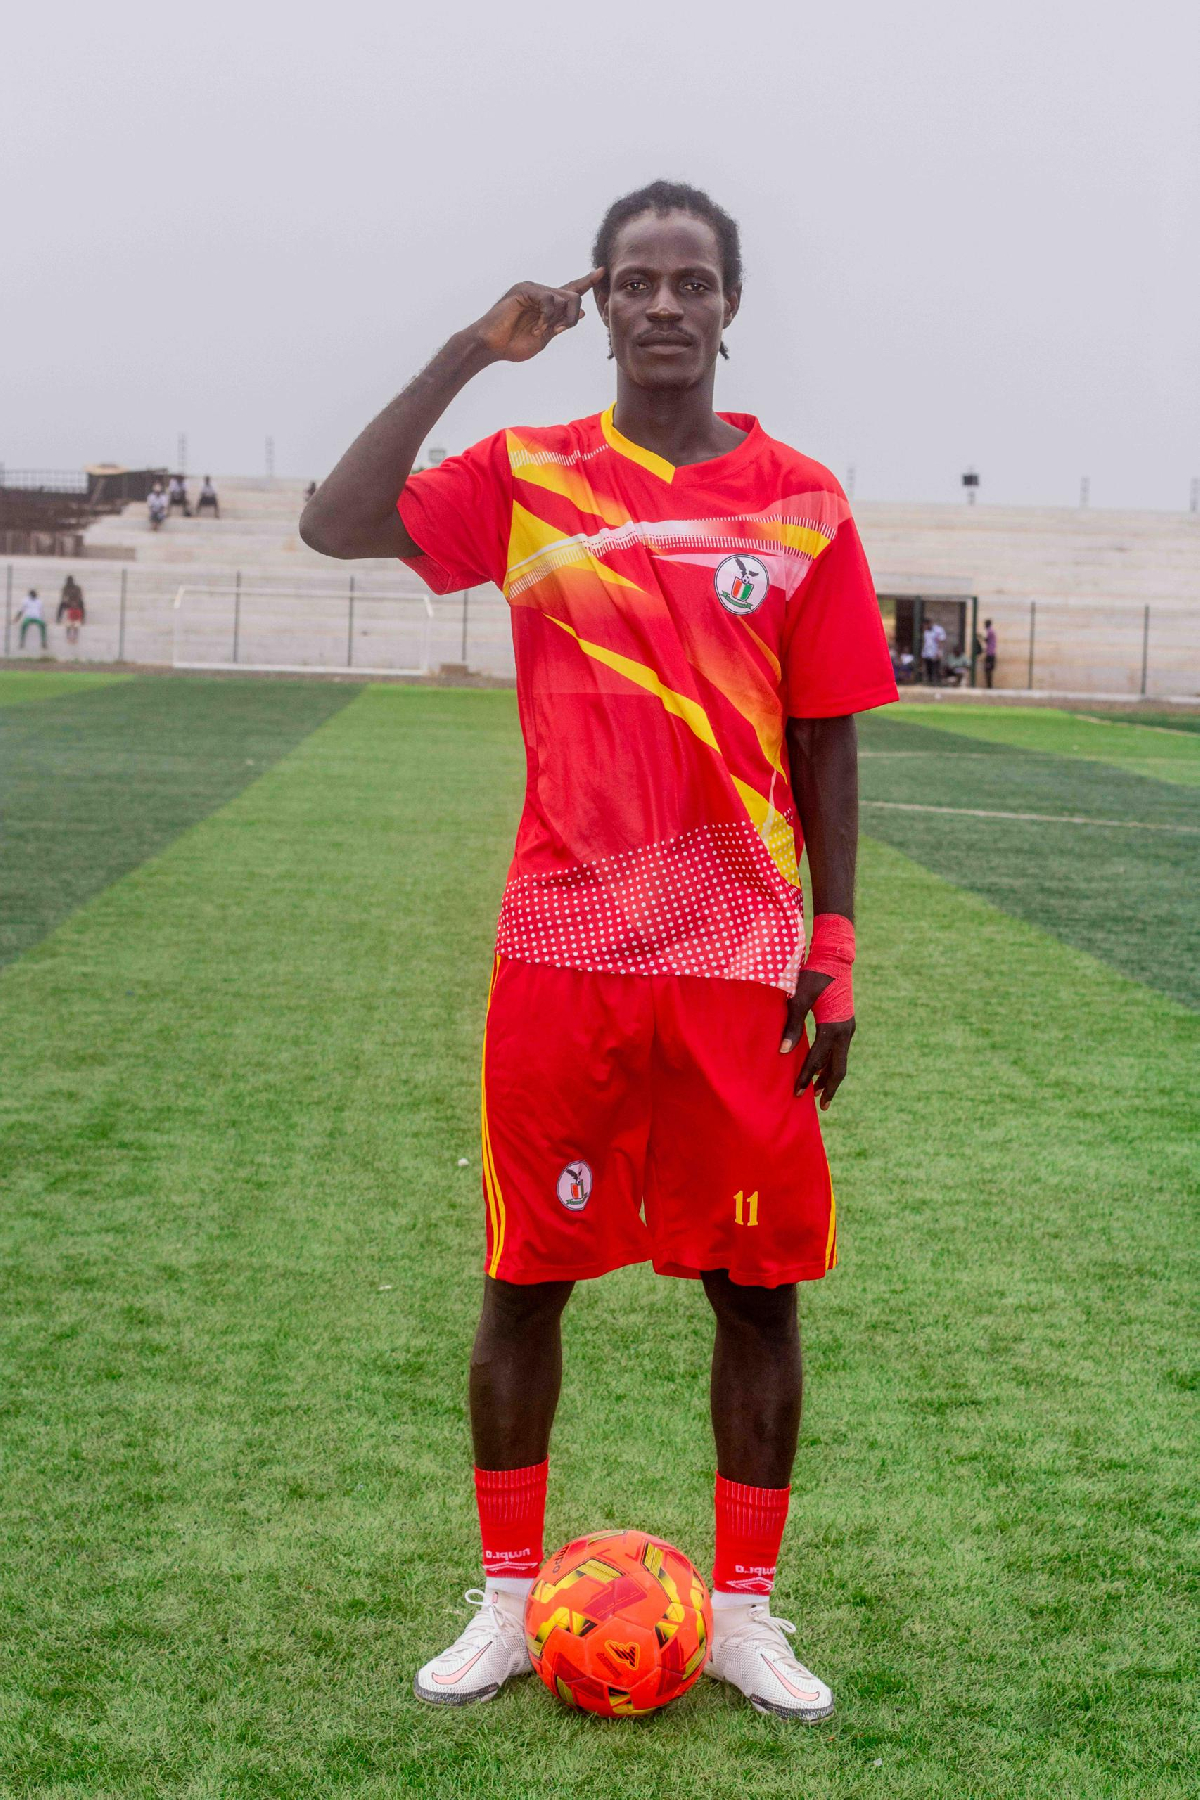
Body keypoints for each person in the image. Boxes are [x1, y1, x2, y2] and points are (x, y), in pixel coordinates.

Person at [301, 179, 897, 1723]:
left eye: (692, 281)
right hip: (563, 956)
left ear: (730, 304)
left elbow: (828, 734)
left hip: (738, 961)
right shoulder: (528, 476)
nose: (664, 305)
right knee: (525, 1279)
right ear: (602, 301)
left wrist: (833, 941)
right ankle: (507, 1605)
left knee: (757, 1293)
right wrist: (469, 351)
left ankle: (746, 1616)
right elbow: (336, 522)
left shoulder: (803, 501)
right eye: (637, 281)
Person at [57, 575, 86, 645]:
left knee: (82, 604)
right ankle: (58, 618)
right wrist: (69, 602)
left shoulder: (77, 588)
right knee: (61, 605)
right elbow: (63, 597)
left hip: (76, 602)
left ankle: (82, 619)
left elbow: (80, 596)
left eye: (70, 581)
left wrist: (75, 603)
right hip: (68, 603)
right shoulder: (65, 588)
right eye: (68, 581)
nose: (69, 582)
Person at [920, 618, 939, 684]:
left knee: (935, 667)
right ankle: (929, 680)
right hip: (927, 652)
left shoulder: (936, 630)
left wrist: (938, 652)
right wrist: (923, 653)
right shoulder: (925, 632)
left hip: (934, 651)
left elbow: (940, 641)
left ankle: (936, 681)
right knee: (928, 667)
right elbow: (925, 643)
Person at [984, 618, 997, 688]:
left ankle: (989, 686)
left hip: (990, 654)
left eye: (985, 624)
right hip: (991, 653)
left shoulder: (989, 631)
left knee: (988, 669)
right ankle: (989, 685)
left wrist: (980, 637)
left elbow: (987, 640)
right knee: (989, 669)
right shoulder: (992, 631)